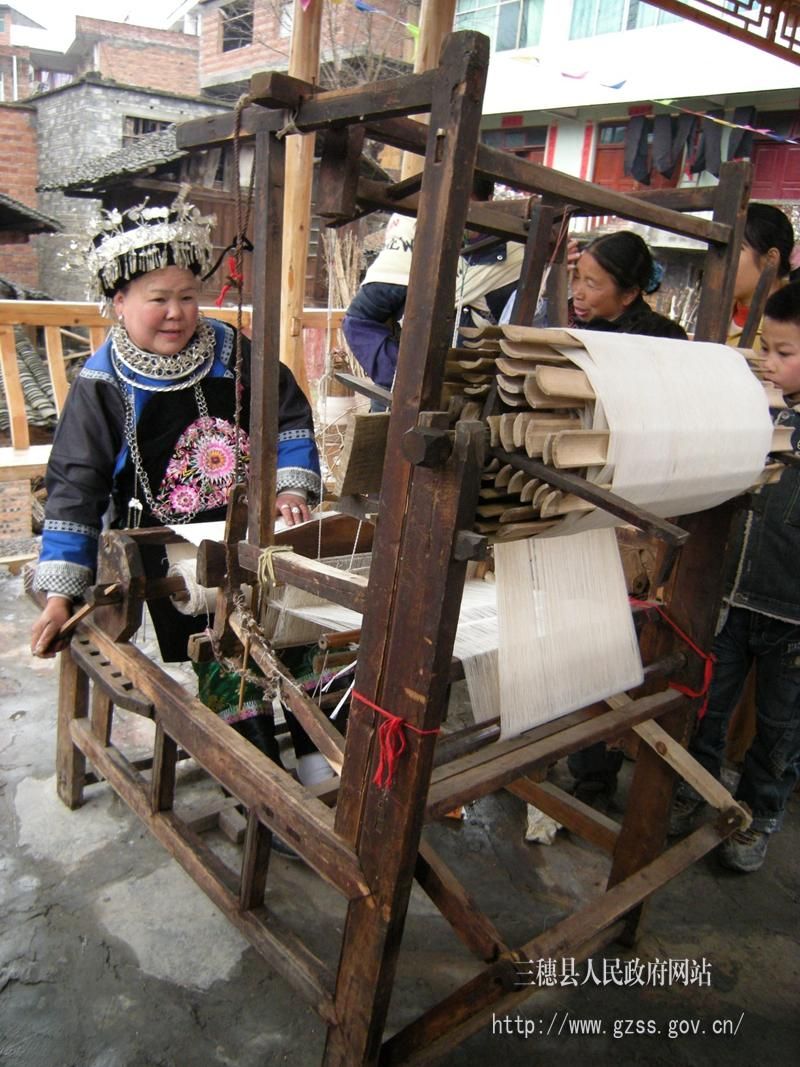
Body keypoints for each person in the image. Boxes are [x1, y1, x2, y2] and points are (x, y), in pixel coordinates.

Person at [29, 190, 321, 766]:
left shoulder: (230, 350)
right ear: (118, 301)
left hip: (248, 530)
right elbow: (76, 486)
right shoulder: (102, 384)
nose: (177, 313)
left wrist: (291, 487)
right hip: (166, 550)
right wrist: (61, 595)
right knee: (218, 640)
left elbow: (287, 413)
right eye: (158, 299)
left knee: (294, 625)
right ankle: (256, 763)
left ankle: (318, 754)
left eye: (188, 297)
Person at [669, 282, 800, 872]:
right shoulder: (757, 405)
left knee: (779, 728)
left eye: (783, 352)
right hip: (731, 599)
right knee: (706, 705)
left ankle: (757, 816)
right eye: (765, 347)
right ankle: (691, 792)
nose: (767, 361)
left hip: (792, 615)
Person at [563, 231, 688, 805]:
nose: (579, 292)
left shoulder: (663, 344)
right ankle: (561, 746)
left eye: (593, 283)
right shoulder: (577, 334)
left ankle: (595, 771)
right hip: (576, 500)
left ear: (631, 292)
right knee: (572, 632)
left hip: (634, 511)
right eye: (577, 279)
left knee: (615, 639)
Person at [342, 178, 525, 396]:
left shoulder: (517, 256)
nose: (458, 224)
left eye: (470, 211)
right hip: (404, 397)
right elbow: (358, 322)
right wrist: (404, 378)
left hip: (475, 397)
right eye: (451, 209)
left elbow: (520, 338)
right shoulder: (410, 244)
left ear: (490, 202)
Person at [569, 230, 687, 339]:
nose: (577, 294)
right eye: (576, 277)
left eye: (591, 284)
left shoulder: (659, 335)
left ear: (629, 295)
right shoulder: (567, 314)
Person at [728, 202, 795, 348]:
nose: (723, 259)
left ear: (770, 259)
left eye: (736, 248)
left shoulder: (792, 327)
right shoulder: (714, 318)